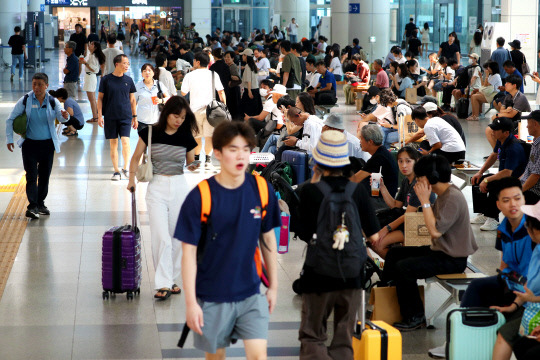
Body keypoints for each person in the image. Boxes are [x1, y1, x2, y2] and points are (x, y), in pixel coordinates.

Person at [176, 121, 280, 359]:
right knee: (216, 357)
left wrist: (273, 286)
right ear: (219, 153)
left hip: (251, 293)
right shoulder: (200, 196)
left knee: (258, 356)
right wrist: (191, 303)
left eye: (246, 149)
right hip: (212, 296)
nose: (241, 155)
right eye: (233, 149)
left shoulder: (261, 189)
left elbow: (267, 241)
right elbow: (188, 255)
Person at [295, 130, 379, 359]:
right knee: (344, 339)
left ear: (318, 161)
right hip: (352, 275)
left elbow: (303, 232)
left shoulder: (310, 191)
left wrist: (314, 179)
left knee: (313, 336)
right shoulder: (358, 190)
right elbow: (374, 236)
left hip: (318, 273)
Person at [428, 176, 532, 359]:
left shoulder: (532, 230)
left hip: (528, 292)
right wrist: (502, 281)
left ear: (523, 199)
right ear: (498, 205)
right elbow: (504, 263)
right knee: (477, 287)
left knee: (507, 322)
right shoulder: (504, 227)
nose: (513, 204)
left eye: (517, 198)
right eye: (506, 200)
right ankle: (455, 339)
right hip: (511, 283)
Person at [382, 154, 478, 331]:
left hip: (452, 259)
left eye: (420, 178)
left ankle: (416, 317)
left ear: (432, 178)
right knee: (396, 253)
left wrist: (425, 201)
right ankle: (384, 295)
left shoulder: (452, 198)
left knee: (405, 267)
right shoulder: (443, 194)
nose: (417, 182)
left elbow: (434, 231)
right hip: (439, 250)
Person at [127, 96, 199, 300]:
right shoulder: (149, 132)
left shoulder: (186, 136)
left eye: (183, 117)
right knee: (161, 237)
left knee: (177, 238)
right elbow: (134, 158)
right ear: (167, 113)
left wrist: (196, 166)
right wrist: (131, 180)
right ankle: (163, 284)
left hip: (179, 187)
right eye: (176, 116)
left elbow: (190, 163)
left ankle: (171, 278)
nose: (179, 120)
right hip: (156, 186)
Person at [5, 73, 70, 219]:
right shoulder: (26, 100)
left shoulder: (53, 101)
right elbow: (10, 119)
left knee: (45, 176)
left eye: (40, 84)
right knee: (31, 176)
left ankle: (41, 203)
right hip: (30, 145)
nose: (36, 87)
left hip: (47, 145)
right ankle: (32, 206)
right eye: (34, 84)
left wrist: (66, 116)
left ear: (46, 86)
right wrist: (9, 139)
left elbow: (61, 117)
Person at [490, 200, 540, 360]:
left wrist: (531, 299)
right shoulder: (537, 249)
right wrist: (513, 306)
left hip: (534, 311)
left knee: (512, 338)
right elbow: (527, 288)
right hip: (531, 310)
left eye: (529, 225)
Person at [370, 147, 435, 258]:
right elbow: (396, 205)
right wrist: (382, 187)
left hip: (420, 227)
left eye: (408, 161)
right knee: (373, 240)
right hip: (408, 224)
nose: (404, 165)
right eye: (400, 161)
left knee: (378, 244)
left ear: (417, 161)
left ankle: (399, 268)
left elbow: (408, 215)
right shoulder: (406, 180)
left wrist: (386, 229)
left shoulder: (419, 183)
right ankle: (398, 267)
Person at [470, 117, 527, 231]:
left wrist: (487, 180)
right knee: (477, 180)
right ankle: (484, 213)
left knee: (495, 184)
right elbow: (494, 155)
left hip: (516, 179)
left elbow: (507, 173)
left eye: (496, 130)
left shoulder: (513, 147)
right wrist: (480, 173)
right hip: (504, 176)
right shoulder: (501, 141)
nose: (492, 132)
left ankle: (493, 219)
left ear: (506, 132)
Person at [181, 52, 226, 167]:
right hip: (211, 111)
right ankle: (208, 160)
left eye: (194, 60)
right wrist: (224, 107)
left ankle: (196, 159)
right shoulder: (213, 74)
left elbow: (183, 92)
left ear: (197, 62)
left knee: (197, 136)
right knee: (209, 136)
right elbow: (221, 92)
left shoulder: (190, 75)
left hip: (195, 110)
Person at [97, 54, 138, 181]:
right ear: (117, 64)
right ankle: (116, 171)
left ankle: (125, 167)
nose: (127, 66)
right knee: (113, 143)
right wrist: (99, 116)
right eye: (124, 63)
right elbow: (100, 98)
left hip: (125, 116)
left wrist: (134, 116)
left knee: (125, 142)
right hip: (110, 116)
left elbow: (132, 100)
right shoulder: (106, 80)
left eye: (128, 64)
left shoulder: (129, 80)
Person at [351, 124, 399, 210]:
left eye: (361, 138)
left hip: (382, 201)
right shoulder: (382, 153)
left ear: (370, 142)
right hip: (378, 196)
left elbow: (355, 179)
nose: (360, 141)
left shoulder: (379, 158)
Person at [487, 74, 530, 148]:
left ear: (514, 85)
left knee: (491, 130)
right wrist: (506, 111)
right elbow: (502, 110)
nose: (505, 85)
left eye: (507, 83)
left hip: (522, 124)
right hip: (512, 122)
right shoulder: (508, 96)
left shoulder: (521, 97)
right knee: (490, 130)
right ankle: (498, 153)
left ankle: (500, 152)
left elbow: (511, 114)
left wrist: (497, 115)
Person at [136, 63, 169, 133]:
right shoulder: (138, 86)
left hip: (156, 120)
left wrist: (161, 100)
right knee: (143, 143)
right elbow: (133, 103)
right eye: (144, 71)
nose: (147, 72)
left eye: (149, 70)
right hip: (142, 121)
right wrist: (133, 117)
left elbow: (168, 98)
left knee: (155, 142)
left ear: (153, 73)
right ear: (142, 74)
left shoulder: (159, 84)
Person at [79, 41, 105, 123]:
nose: (89, 45)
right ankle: (95, 116)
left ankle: (95, 117)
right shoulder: (91, 55)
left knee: (92, 99)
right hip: (89, 77)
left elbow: (95, 69)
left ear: (95, 47)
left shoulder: (93, 56)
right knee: (92, 98)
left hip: (91, 77)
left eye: (92, 44)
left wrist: (85, 63)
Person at [520, 111, 540, 205]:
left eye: (528, 123)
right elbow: (529, 168)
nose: (527, 126)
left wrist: (519, 191)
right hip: (528, 186)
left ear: (535, 124)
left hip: (535, 191)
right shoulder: (535, 142)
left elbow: (536, 175)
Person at [239, 49, 263, 118]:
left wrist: (249, 91)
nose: (242, 57)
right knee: (255, 109)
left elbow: (249, 80)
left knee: (246, 110)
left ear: (246, 56)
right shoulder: (253, 65)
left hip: (250, 90)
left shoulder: (248, 66)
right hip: (255, 89)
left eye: (243, 55)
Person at [224, 51, 241, 120]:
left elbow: (237, 78)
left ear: (232, 58)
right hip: (232, 88)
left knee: (233, 105)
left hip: (233, 88)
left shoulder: (233, 66)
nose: (226, 58)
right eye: (225, 57)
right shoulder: (229, 66)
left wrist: (229, 76)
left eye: (228, 57)